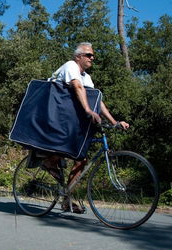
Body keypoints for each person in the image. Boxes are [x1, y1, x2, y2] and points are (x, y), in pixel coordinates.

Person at [44, 42, 130, 213]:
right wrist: (88, 110)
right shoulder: (71, 66)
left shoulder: (86, 77)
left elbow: (98, 100)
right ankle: (49, 161)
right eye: (88, 55)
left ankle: (66, 199)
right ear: (78, 57)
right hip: (55, 115)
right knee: (67, 147)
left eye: (92, 55)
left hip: (71, 119)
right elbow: (76, 87)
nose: (92, 58)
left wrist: (114, 122)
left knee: (81, 160)